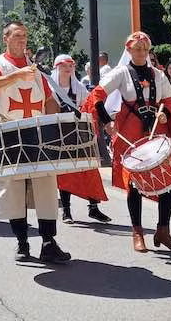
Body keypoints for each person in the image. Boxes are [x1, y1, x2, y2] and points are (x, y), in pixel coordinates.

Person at [83, 32, 171, 253]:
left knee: (169, 183)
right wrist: (107, 121)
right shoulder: (120, 73)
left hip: (155, 134)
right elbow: (97, 96)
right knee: (134, 186)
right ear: (129, 50)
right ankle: (137, 232)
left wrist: (166, 114)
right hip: (130, 135)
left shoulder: (158, 75)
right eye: (137, 49)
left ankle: (163, 230)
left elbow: (167, 102)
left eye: (145, 49)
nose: (141, 53)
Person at [0, 22, 70, 264]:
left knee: (46, 187)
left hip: (37, 133)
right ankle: (22, 243)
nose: (23, 41)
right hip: (10, 131)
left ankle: (48, 243)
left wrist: (52, 120)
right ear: (6, 38)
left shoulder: (36, 70)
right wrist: (17, 75)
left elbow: (49, 99)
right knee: (14, 189)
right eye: (18, 36)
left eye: (25, 37)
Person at [51, 55, 111, 223]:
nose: (68, 68)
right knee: (65, 173)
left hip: (80, 132)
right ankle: (67, 212)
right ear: (57, 67)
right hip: (59, 134)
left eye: (71, 65)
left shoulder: (79, 88)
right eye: (64, 66)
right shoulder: (50, 87)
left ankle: (94, 208)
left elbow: (89, 107)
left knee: (90, 170)